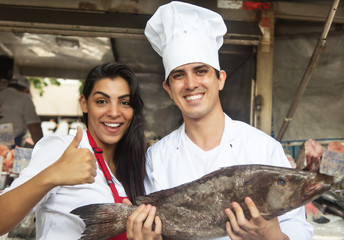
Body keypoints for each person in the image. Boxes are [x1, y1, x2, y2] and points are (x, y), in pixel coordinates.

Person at [127, 2, 313, 240]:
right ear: (168, 89)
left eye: (201, 70)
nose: (191, 83)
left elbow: (300, 230)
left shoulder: (263, 148)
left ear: (220, 79)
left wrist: (271, 235)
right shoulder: (156, 158)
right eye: (179, 75)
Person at [0, 62, 151, 240]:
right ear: (85, 104)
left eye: (124, 102)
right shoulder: (60, 149)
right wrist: (53, 174)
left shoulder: (141, 165)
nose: (114, 112)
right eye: (102, 101)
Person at [0, 76, 43, 147]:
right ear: (26, 89)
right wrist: (41, 148)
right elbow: (34, 128)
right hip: (9, 146)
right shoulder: (24, 98)